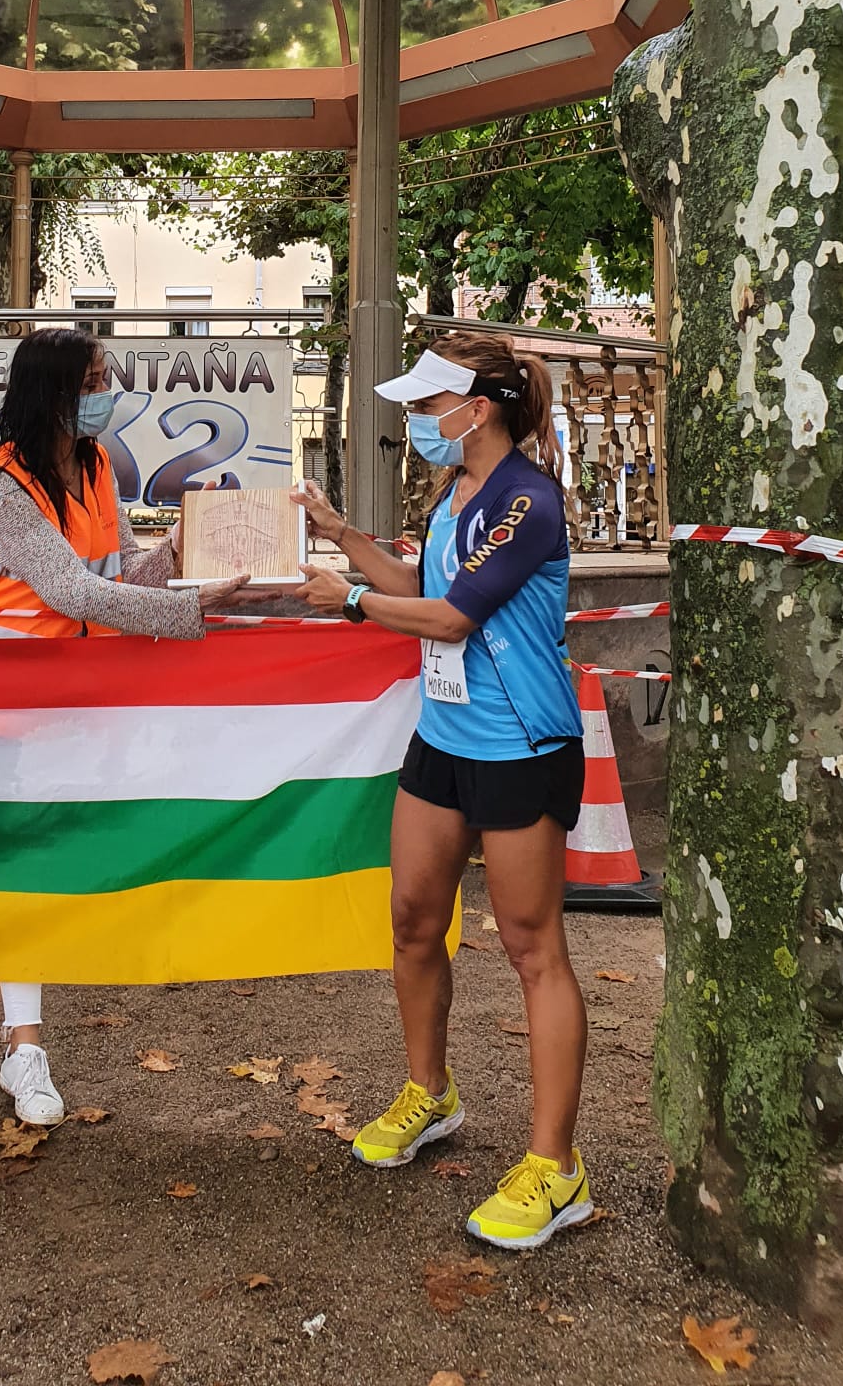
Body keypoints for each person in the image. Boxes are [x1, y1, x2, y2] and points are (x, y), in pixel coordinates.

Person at [0, 327, 247, 1126]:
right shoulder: (0, 481)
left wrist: (182, 546)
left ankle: (25, 1048)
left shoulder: (94, 468)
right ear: (52, 390)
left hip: (56, 700)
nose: (108, 389)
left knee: (30, 863)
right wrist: (190, 610)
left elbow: (119, 581)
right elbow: (71, 594)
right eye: (94, 378)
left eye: (107, 375)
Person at [294, 330, 592, 1253]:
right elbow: (421, 582)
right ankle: (432, 1091)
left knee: (533, 947)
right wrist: (340, 534)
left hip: (520, 748)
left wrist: (347, 600)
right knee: (415, 919)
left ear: (482, 408)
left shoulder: (527, 502)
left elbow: (453, 615)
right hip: (443, 742)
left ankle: (557, 1167)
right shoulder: (456, 494)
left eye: (428, 405)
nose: (417, 420)